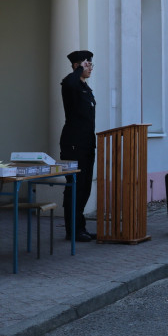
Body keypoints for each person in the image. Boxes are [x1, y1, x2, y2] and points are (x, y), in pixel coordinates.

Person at [59, 49, 96, 242]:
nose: (90, 68)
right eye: (86, 64)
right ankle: (72, 230)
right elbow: (68, 82)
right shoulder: (70, 85)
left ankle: (80, 227)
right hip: (73, 144)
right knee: (75, 186)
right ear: (77, 65)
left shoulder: (85, 88)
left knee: (85, 187)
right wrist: (78, 69)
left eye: (90, 64)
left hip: (87, 143)